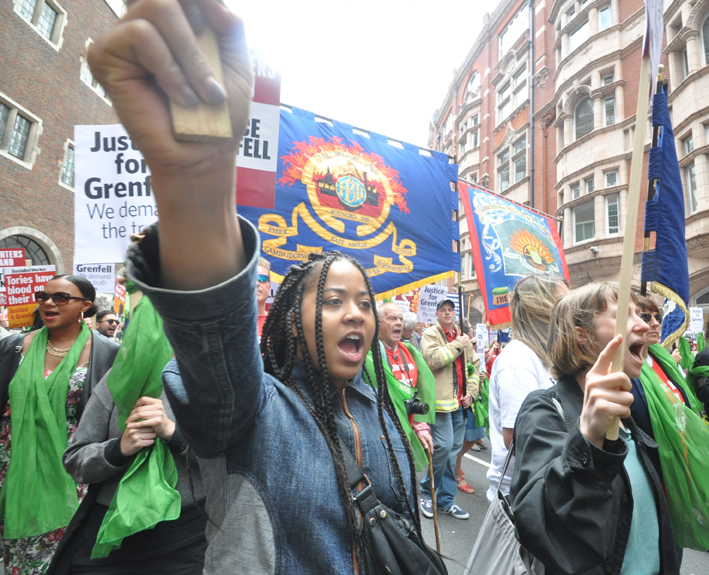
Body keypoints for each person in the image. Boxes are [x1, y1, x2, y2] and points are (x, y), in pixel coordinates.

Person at [88, 3, 431, 572]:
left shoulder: (383, 412)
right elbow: (217, 358)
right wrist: (198, 185)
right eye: (332, 300)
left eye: (365, 303)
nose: (356, 315)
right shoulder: (259, 412)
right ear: (288, 320)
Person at [509, 283, 679, 575]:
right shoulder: (545, 409)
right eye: (623, 315)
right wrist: (587, 440)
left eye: (640, 314)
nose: (643, 325)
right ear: (582, 335)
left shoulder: (628, 408)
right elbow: (538, 524)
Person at [0, 275, 119, 575]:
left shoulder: (108, 354)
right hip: (10, 467)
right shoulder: (13, 346)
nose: (49, 303)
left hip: (70, 473)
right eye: (44, 296)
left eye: (61, 298)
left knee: (55, 557)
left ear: (85, 306)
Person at [486, 274, 568, 501]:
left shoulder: (548, 355)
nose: (573, 310)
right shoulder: (518, 360)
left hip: (546, 484)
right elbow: (518, 438)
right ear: (542, 309)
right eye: (564, 302)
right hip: (523, 495)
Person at [419, 299, 478, 520]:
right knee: (442, 448)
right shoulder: (431, 334)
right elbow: (434, 360)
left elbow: (475, 366)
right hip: (440, 405)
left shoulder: (461, 337)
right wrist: (458, 345)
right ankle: (427, 490)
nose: (447, 313)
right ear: (436, 314)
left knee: (453, 453)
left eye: (450, 310)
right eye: (443, 310)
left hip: (460, 405)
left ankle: (445, 500)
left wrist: (471, 393)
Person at [366, 302, 435, 468]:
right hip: (379, 432)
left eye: (400, 319)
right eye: (392, 318)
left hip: (408, 427)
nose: (398, 323)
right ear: (376, 322)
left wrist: (421, 425)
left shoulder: (409, 350)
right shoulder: (367, 353)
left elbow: (422, 388)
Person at [453, 322, 486, 495]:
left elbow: (474, 364)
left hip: (471, 398)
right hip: (454, 399)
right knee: (458, 440)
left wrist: (476, 379)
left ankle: (453, 467)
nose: (474, 343)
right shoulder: (449, 341)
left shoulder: (468, 347)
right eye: (472, 340)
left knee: (474, 435)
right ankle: (457, 472)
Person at [256, 257, 271, 339]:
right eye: (252, 278)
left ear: (269, 288)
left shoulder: (279, 324)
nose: (256, 283)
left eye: (262, 278)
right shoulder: (229, 325)